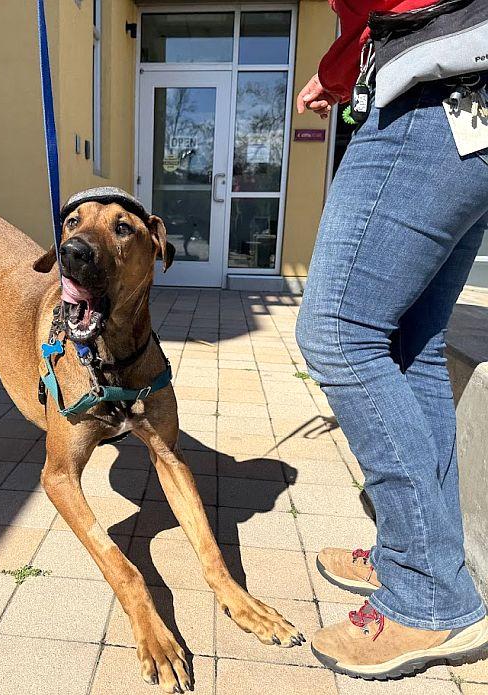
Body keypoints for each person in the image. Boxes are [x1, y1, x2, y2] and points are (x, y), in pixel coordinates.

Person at [294, 0, 488, 680]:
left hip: (432, 92)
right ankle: (419, 551)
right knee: (413, 345)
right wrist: (342, 70)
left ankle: (428, 593)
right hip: (467, 97)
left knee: (338, 334)